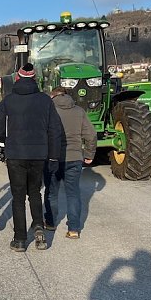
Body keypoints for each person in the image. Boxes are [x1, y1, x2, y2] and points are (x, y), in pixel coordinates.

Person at [0, 63, 64, 252]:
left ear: (17, 78)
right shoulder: (45, 100)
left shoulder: (8, 100)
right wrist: (54, 157)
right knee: (34, 192)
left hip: (15, 154)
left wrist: (4, 143)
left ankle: (20, 240)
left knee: (18, 197)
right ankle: (39, 228)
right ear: (34, 79)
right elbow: (55, 130)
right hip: (38, 155)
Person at [44, 87, 97, 239]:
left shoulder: (49, 110)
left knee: (52, 192)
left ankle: (50, 222)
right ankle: (74, 229)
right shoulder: (79, 111)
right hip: (74, 158)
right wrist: (89, 154)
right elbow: (91, 135)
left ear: (53, 96)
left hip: (52, 158)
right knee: (73, 193)